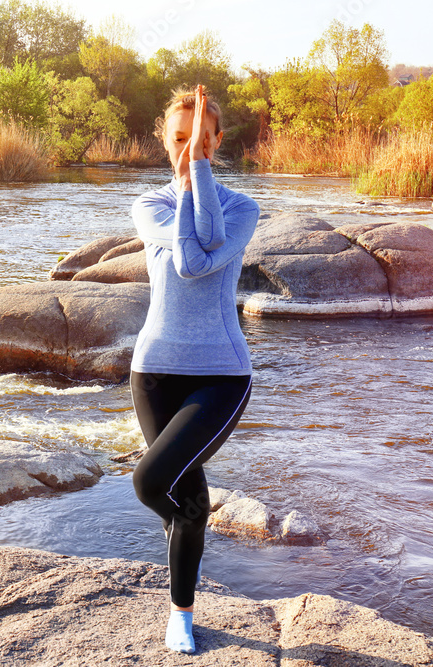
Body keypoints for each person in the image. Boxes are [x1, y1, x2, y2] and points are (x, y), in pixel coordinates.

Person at [129, 84, 259, 654]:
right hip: (154, 371)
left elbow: (194, 257)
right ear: (165, 140)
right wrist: (188, 181)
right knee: (190, 500)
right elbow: (190, 254)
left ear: (217, 141)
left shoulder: (244, 208)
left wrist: (197, 174)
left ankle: (181, 602)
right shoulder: (149, 206)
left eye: (200, 141)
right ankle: (182, 610)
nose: (189, 151)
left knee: (150, 481)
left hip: (222, 376)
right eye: (180, 141)